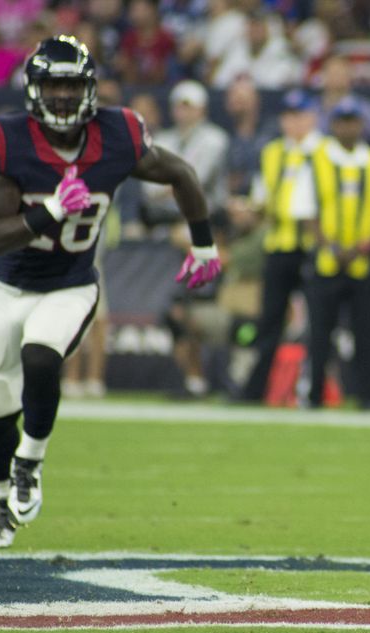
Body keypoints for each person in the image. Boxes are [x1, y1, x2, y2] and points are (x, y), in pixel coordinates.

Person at [0, 35, 220, 550]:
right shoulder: (6, 138)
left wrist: (203, 246)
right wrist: (52, 211)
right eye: (53, 85)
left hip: (70, 284)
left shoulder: (118, 134)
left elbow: (180, 172)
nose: (62, 96)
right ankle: (0, 502)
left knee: (41, 359)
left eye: (71, 85)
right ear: (34, 90)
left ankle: (30, 463)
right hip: (7, 285)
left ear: (89, 89)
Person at [290, 96, 370, 408]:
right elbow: (306, 212)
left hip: (364, 262)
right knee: (319, 334)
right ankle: (313, 395)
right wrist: (330, 246)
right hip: (327, 261)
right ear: (333, 125)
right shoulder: (317, 161)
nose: (347, 127)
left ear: (361, 125)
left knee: (367, 333)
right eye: (342, 121)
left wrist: (366, 245)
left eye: (352, 121)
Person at [140, 80, 230, 399]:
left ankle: (214, 379)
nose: (183, 111)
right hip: (171, 235)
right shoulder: (163, 139)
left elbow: (194, 181)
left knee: (200, 309)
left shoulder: (214, 140)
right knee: (174, 311)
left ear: (202, 109)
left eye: (189, 105)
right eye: (180, 105)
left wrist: (172, 185)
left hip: (205, 230)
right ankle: (194, 380)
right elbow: (151, 189)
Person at [241, 89, 325, 403]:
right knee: (270, 321)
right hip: (279, 244)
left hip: (313, 246)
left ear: (313, 117)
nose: (294, 122)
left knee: (319, 323)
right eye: (288, 116)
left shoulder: (326, 151)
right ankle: (254, 391)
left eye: (300, 115)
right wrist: (250, 210)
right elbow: (262, 197)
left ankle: (315, 391)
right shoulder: (272, 152)